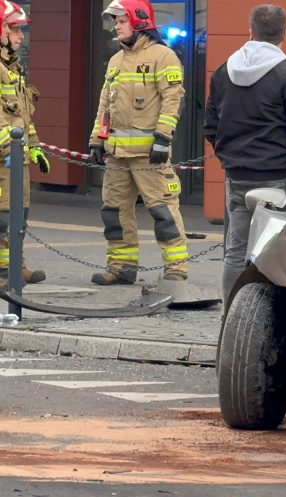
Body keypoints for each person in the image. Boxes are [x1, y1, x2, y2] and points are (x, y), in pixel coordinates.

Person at [204, 4, 286, 306]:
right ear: (284, 33)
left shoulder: (222, 73)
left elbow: (210, 126)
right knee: (280, 255)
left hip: (238, 176)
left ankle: (230, 319)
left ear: (250, 31)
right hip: (280, 177)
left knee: (235, 252)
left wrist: (230, 158)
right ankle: (274, 323)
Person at [87, 0, 191, 286]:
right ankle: (121, 267)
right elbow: (104, 105)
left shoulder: (163, 56)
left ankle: (176, 270)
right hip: (117, 155)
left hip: (149, 156)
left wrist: (162, 138)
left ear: (139, 21)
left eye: (121, 21)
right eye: (115, 22)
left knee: (163, 211)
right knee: (114, 211)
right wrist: (97, 140)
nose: (116, 27)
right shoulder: (115, 61)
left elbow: (173, 100)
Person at [0, 1, 47, 286]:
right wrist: (10, 148)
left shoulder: (12, 68)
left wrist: (35, 145)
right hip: (5, 157)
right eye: (15, 30)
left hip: (16, 158)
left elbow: (20, 114)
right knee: (4, 214)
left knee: (17, 214)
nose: (21, 37)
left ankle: (13, 265)